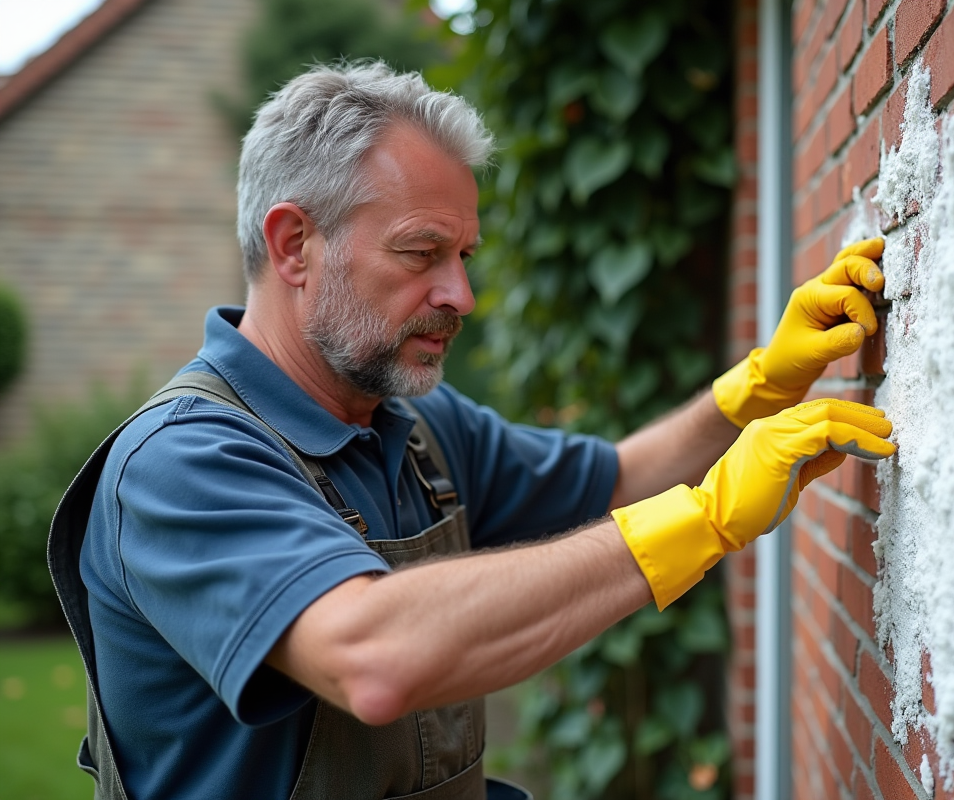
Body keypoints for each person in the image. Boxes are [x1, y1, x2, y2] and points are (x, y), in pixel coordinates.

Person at [48, 62, 894, 800]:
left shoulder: (415, 425)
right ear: (295, 244)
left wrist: (754, 389)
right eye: (422, 255)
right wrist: (708, 517)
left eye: (466, 257)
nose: (461, 296)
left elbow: (618, 480)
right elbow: (373, 656)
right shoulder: (181, 462)